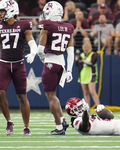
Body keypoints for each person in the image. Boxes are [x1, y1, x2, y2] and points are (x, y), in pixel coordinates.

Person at [0, 0, 38, 136]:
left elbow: (31, 40)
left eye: (2, 11)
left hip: (18, 64)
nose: (1, 13)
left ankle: (26, 126)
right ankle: (9, 122)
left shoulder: (23, 24)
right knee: (0, 93)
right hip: (3, 63)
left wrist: (33, 52)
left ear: (10, 11)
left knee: (22, 96)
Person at [37, 1, 74, 135]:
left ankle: (59, 128)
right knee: (53, 96)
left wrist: (42, 58)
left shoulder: (47, 26)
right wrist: (69, 70)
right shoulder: (69, 27)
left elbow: (40, 49)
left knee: (50, 96)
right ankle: (63, 119)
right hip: (61, 64)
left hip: (51, 63)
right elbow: (70, 52)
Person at [75, 42, 100, 108]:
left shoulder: (93, 55)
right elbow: (78, 65)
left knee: (92, 92)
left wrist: (84, 61)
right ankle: (87, 107)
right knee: (85, 92)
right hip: (83, 75)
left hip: (91, 75)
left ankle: (99, 106)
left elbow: (92, 63)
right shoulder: (82, 55)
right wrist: (77, 61)